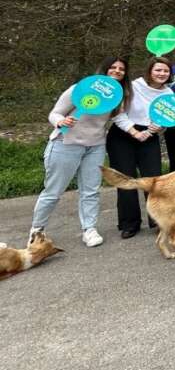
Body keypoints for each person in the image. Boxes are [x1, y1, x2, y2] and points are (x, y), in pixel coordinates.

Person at [29, 57, 130, 247]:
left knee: (91, 191)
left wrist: (140, 132)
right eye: (113, 67)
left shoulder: (118, 95)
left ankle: (89, 229)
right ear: (104, 70)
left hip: (96, 146)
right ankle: (37, 230)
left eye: (121, 69)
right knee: (53, 191)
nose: (117, 71)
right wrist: (60, 121)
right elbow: (55, 113)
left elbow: (120, 119)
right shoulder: (80, 88)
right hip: (66, 143)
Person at [108, 57, 172, 238]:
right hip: (123, 135)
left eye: (165, 71)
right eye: (158, 70)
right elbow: (117, 113)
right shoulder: (133, 86)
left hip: (149, 137)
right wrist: (134, 132)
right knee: (126, 179)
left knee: (154, 181)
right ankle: (129, 223)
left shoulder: (169, 94)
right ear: (150, 71)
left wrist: (159, 127)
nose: (162, 74)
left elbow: (168, 118)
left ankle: (158, 220)